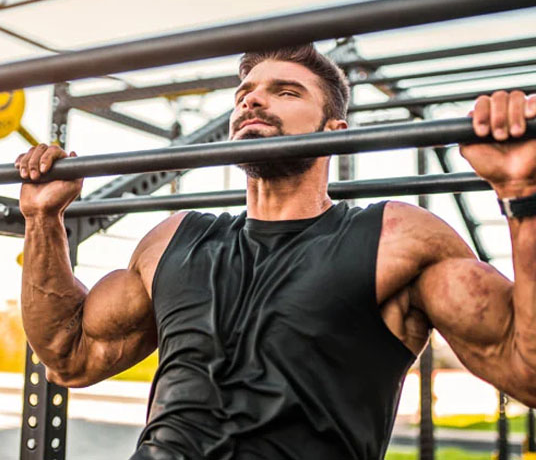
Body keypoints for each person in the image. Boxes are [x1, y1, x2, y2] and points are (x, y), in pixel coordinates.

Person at [16, 44, 536, 460]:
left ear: (334, 133)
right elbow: (69, 355)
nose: (252, 101)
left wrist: (523, 194)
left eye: (285, 91)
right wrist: (43, 219)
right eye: (245, 93)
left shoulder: (397, 236)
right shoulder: (174, 239)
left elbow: (526, 371)